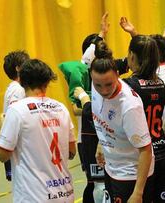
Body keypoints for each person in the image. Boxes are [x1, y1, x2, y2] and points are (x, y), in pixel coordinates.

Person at [0, 59, 76, 202]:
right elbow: (72, 152)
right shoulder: (61, 108)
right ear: (47, 81)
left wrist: (2, 127)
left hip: (34, 196)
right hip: (65, 193)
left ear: (21, 81)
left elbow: (2, 155)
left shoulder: (17, 110)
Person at [88, 41, 154, 203]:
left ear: (117, 74)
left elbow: (146, 150)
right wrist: (101, 144)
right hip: (111, 168)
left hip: (130, 175)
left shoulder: (130, 106)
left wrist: (138, 193)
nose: (104, 90)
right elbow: (103, 120)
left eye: (109, 84)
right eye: (98, 85)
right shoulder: (96, 82)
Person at [122, 35, 165, 202]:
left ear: (131, 56)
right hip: (163, 150)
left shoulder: (127, 86)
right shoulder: (160, 83)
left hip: (143, 158)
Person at [58, 12, 109, 203]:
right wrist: (90, 105)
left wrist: (103, 32)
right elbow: (75, 109)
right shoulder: (80, 75)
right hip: (87, 137)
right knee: (94, 183)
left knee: (105, 182)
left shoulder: (103, 76)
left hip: (106, 135)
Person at [0, 50, 30, 181]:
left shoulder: (17, 87)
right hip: (17, 147)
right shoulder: (17, 89)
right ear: (18, 68)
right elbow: (13, 116)